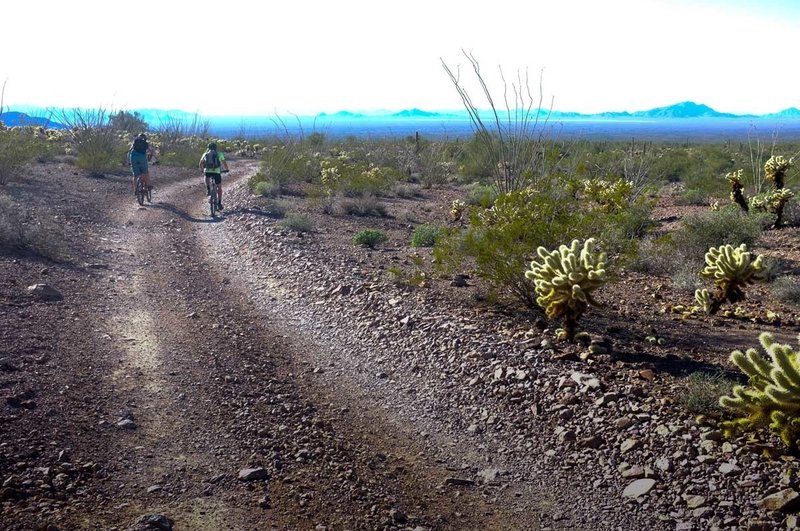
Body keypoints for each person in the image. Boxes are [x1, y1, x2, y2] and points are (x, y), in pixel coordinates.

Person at [199, 142, 230, 210]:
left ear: (208, 148)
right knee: (219, 187)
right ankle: (219, 203)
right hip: (216, 172)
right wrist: (227, 169)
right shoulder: (219, 154)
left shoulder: (205, 154)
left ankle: (208, 189)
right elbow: (224, 162)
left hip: (207, 171)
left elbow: (200, 163)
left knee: (206, 176)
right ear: (216, 148)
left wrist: (202, 170)